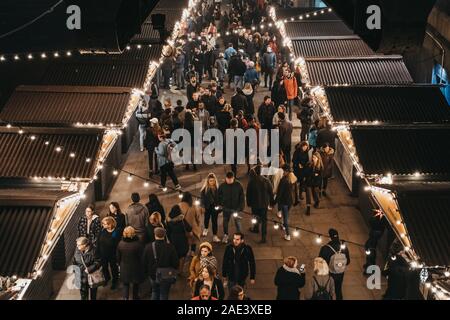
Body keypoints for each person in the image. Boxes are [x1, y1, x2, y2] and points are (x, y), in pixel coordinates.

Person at [143, 227, 179, 300]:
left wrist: (147, 272)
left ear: (155, 235)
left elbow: (144, 262)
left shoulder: (148, 247)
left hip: (153, 274)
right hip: (166, 275)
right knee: (164, 294)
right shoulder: (170, 247)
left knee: (154, 291)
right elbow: (176, 263)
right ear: (164, 235)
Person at [319, 228, 350, 300]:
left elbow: (320, 262)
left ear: (329, 237)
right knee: (338, 290)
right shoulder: (344, 247)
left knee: (329, 291)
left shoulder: (325, 248)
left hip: (329, 274)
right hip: (340, 273)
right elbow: (348, 262)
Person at [247, 165, 274, 243]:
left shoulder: (251, 181)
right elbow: (271, 193)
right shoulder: (266, 181)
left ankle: (256, 228)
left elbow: (248, 194)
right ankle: (263, 237)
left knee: (255, 217)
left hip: (254, 204)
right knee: (264, 220)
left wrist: (249, 203)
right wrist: (271, 203)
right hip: (264, 204)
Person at [117, 227, 144, 300]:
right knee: (136, 284)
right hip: (136, 267)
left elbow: (118, 257)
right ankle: (135, 297)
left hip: (124, 266)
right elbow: (142, 257)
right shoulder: (138, 244)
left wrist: (119, 264)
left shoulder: (121, 244)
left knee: (125, 284)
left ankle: (125, 298)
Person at [218, 172, 245, 243]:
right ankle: (226, 235)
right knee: (225, 222)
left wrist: (240, 208)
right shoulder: (222, 186)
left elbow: (242, 197)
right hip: (226, 209)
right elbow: (218, 196)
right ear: (226, 178)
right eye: (228, 179)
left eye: (230, 179)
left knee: (238, 223)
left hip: (236, 209)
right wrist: (221, 204)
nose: (229, 181)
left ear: (233, 178)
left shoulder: (238, 185)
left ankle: (240, 237)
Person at [167, 204, 193, 274]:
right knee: (182, 256)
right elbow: (189, 228)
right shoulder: (182, 220)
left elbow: (167, 232)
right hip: (182, 240)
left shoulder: (169, 221)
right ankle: (180, 271)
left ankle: (174, 269)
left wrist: (169, 239)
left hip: (173, 240)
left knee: (175, 255)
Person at [97, 217, 121, 290]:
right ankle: (107, 278)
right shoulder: (102, 231)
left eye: (104, 224)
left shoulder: (116, 232)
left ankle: (115, 281)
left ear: (110, 224)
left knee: (114, 268)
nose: (103, 225)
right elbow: (98, 241)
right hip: (103, 254)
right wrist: (98, 252)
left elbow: (116, 243)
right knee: (104, 267)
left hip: (112, 254)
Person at [274, 164, 295, 241]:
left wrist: (274, 202)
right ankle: (283, 226)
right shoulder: (292, 178)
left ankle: (288, 234)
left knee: (285, 218)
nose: (282, 172)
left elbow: (279, 193)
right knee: (285, 215)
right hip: (290, 201)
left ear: (286, 171)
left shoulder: (283, 180)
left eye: (283, 170)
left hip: (284, 202)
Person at [200, 173, 221, 242]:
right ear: (208, 181)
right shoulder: (204, 189)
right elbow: (202, 199)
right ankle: (206, 228)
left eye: (213, 180)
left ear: (215, 181)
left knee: (214, 221)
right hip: (207, 207)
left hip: (215, 208)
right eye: (210, 181)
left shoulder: (218, 189)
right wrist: (202, 206)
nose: (212, 182)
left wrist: (220, 207)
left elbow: (220, 199)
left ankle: (215, 235)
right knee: (206, 218)